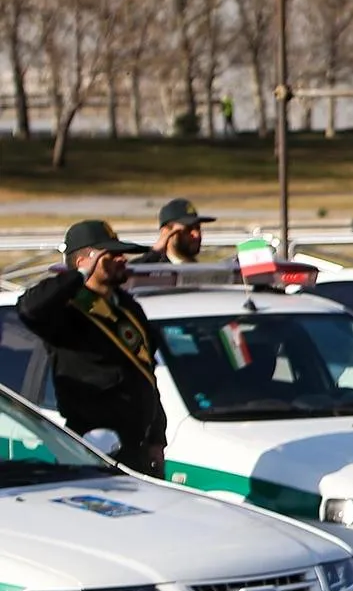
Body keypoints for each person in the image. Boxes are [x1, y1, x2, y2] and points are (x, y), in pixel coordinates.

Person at [18, 222, 168, 477]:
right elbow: (29, 308)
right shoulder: (66, 310)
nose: (122, 259)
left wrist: (157, 438)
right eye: (111, 255)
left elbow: (146, 375)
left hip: (138, 446)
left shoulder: (127, 307)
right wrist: (78, 276)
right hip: (94, 445)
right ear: (84, 261)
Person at [133, 198, 215, 265]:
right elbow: (132, 273)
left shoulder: (202, 270)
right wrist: (155, 252)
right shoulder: (153, 269)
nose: (197, 235)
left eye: (198, 228)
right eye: (187, 229)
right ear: (166, 232)